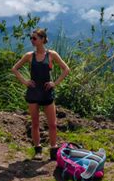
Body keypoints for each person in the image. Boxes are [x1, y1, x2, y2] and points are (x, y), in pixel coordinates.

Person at [11, 28, 70, 161]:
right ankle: (38, 150)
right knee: (35, 123)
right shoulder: (29, 56)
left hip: (46, 93)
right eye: (31, 38)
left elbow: (66, 69)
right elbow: (14, 68)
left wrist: (55, 83)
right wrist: (25, 82)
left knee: (53, 124)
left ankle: (53, 149)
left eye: (34, 38)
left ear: (42, 39)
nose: (32, 40)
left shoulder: (51, 55)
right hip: (33, 93)